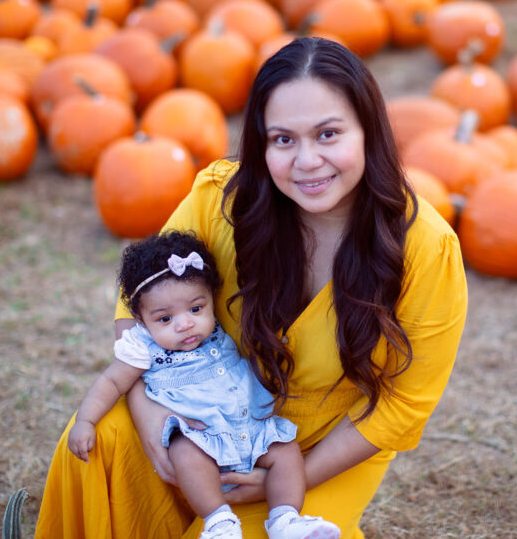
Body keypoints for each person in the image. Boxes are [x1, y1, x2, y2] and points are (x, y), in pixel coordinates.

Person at [35, 37, 468, 538]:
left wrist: (286, 480)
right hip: (198, 415)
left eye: (328, 134)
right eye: (283, 139)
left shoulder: (424, 249)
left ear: (370, 131)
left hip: (322, 444)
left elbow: (404, 406)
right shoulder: (222, 201)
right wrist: (150, 414)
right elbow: (136, 302)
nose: (306, 161)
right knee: (98, 443)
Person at [66, 230, 341, 539]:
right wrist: (85, 421)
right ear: (141, 320)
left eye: (195, 309)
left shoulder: (220, 322)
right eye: (165, 319)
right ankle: (219, 522)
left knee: (286, 452)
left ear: (211, 298)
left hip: (250, 426)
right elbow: (111, 382)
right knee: (185, 454)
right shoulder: (143, 348)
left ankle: (285, 519)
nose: (185, 324)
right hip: (199, 435)